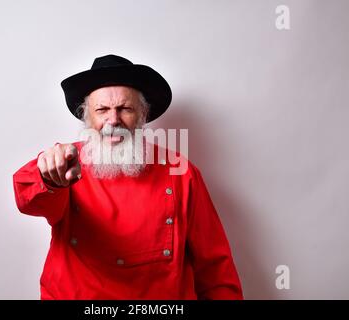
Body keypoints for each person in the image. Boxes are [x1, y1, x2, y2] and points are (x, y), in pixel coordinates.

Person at [12, 54, 243, 299]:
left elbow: (215, 268)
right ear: (87, 117)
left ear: (142, 114)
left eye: (125, 108)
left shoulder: (180, 172)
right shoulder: (66, 162)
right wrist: (49, 178)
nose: (113, 120)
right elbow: (28, 196)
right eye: (102, 110)